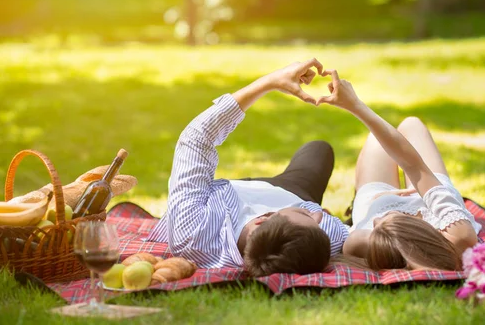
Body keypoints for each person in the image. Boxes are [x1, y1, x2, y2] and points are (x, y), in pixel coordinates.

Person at [147, 59, 349, 277]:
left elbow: (196, 139)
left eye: (307, 214)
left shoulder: (191, 231)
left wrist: (269, 82)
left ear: (263, 217)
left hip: (223, 196)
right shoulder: (325, 235)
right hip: (289, 191)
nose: (320, 214)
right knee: (319, 149)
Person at [316, 69, 480, 271]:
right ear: (412, 229)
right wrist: (355, 105)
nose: (376, 221)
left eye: (374, 228)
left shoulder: (361, 241)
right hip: (432, 203)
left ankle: (368, 197)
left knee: (375, 139)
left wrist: (383, 205)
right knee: (411, 124)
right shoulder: (458, 236)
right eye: (382, 221)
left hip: (377, 200)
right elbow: (413, 165)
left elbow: (367, 235)